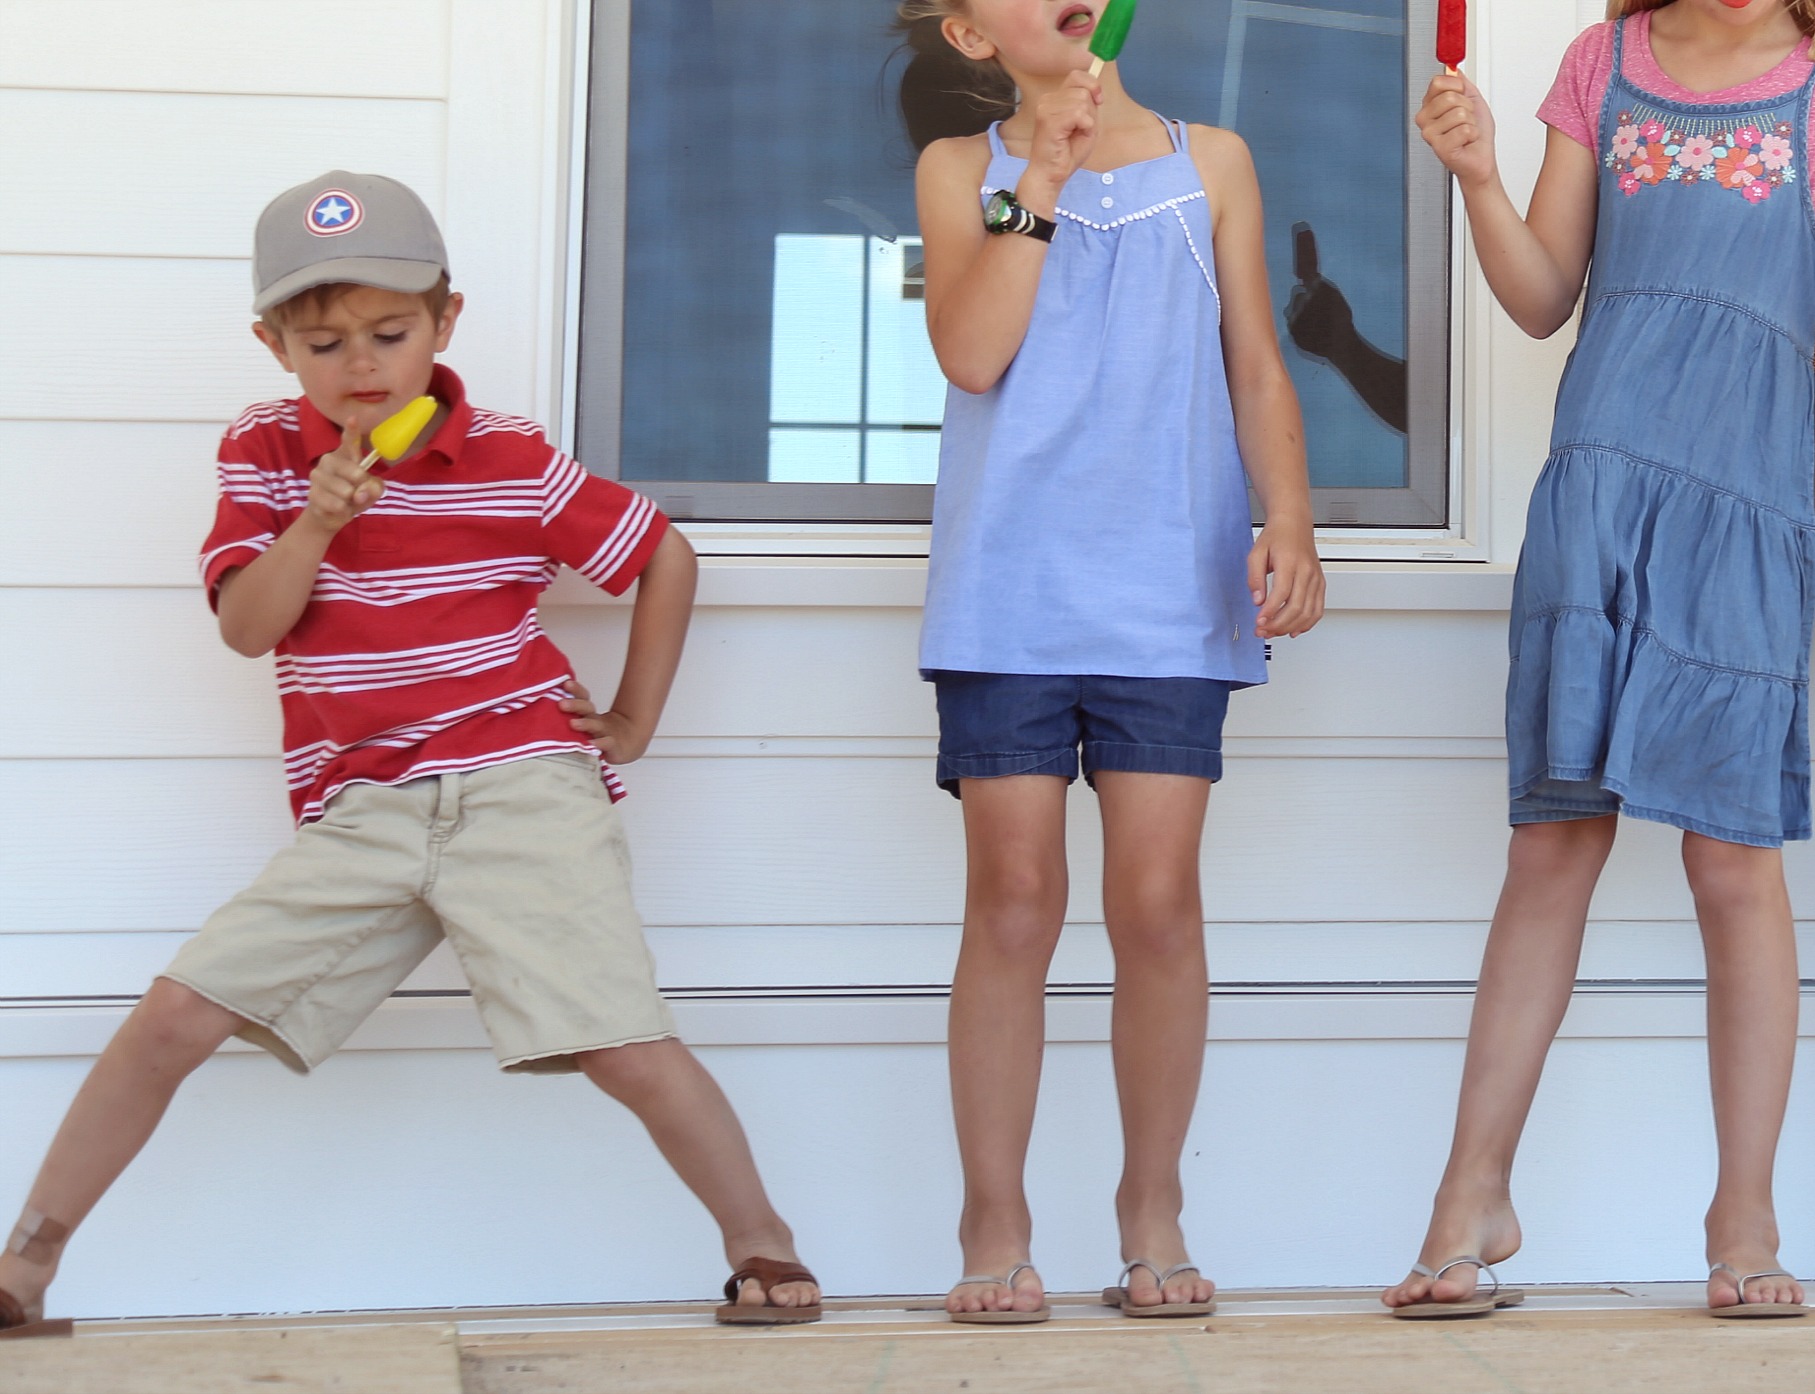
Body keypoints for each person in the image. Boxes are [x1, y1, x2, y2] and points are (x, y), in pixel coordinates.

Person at [0, 171, 819, 1338]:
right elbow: (249, 627)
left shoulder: (508, 453)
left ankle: (762, 1242)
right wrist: (321, 517)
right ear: (274, 343)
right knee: (175, 1013)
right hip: (364, 803)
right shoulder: (265, 455)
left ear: (446, 321)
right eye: (324, 340)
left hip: (522, 779)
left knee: (623, 1041)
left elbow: (663, 555)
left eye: (390, 332)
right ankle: (26, 1263)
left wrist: (634, 718)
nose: (361, 364)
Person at [897, 0, 1325, 1324]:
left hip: (1165, 592)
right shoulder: (955, 172)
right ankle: (993, 1218)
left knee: (1155, 905)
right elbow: (971, 352)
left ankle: (1151, 1205)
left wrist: (1288, 513)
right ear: (970, 37)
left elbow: (1253, 361)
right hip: (1007, 593)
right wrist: (1042, 172)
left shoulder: (1215, 163)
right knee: (1012, 902)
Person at [1385, 0, 1813, 1320]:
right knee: (1551, 843)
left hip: (1749, 506)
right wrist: (1473, 178)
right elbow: (1536, 296)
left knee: (1729, 858)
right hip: (1596, 491)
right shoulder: (1601, 63)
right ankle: (1468, 1197)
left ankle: (1742, 1215)